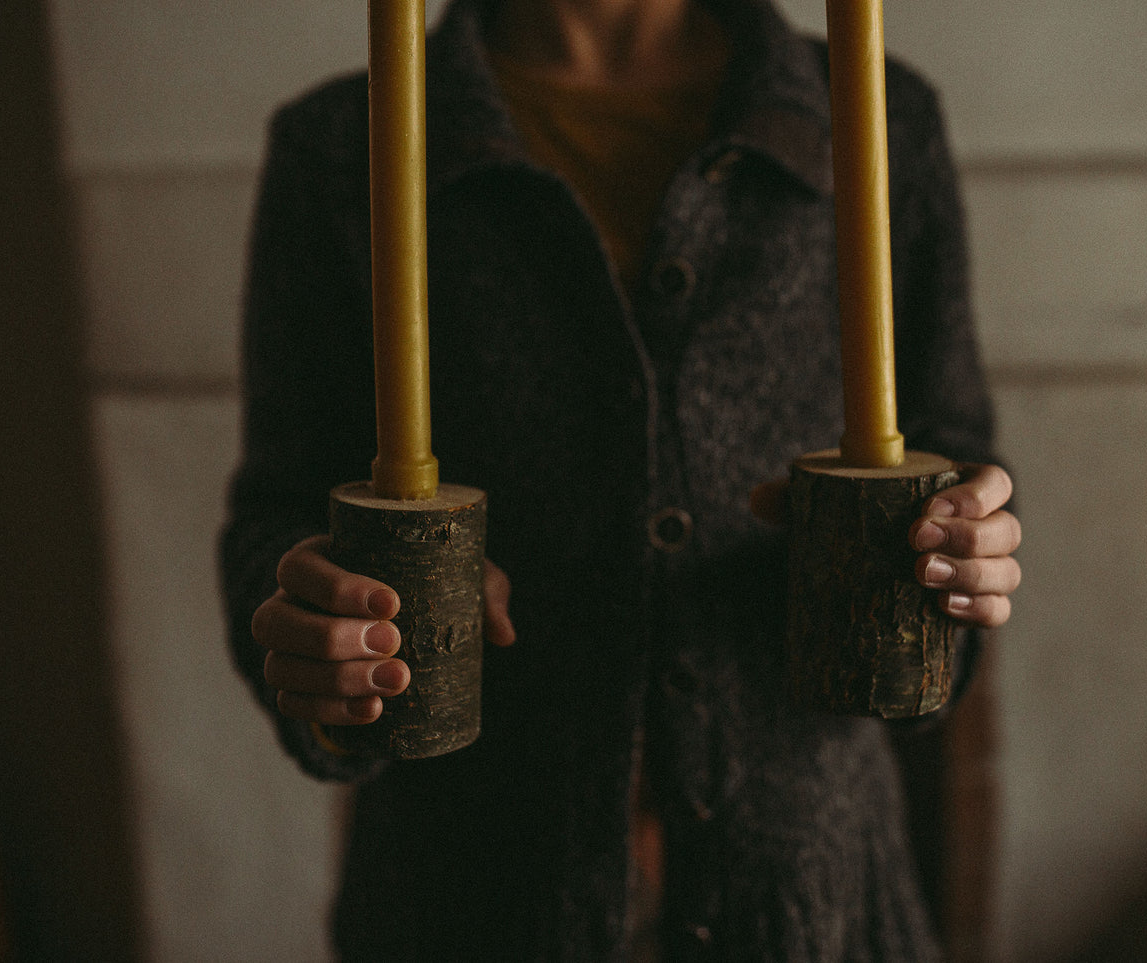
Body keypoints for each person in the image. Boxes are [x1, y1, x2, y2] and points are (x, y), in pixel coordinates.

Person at [219, 0, 1021, 956]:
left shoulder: (876, 117)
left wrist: (955, 565)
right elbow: (280, 505)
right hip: (468, 900)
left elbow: (951, 448)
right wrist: (321, 620)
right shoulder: (337, 149)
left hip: (811, 899)